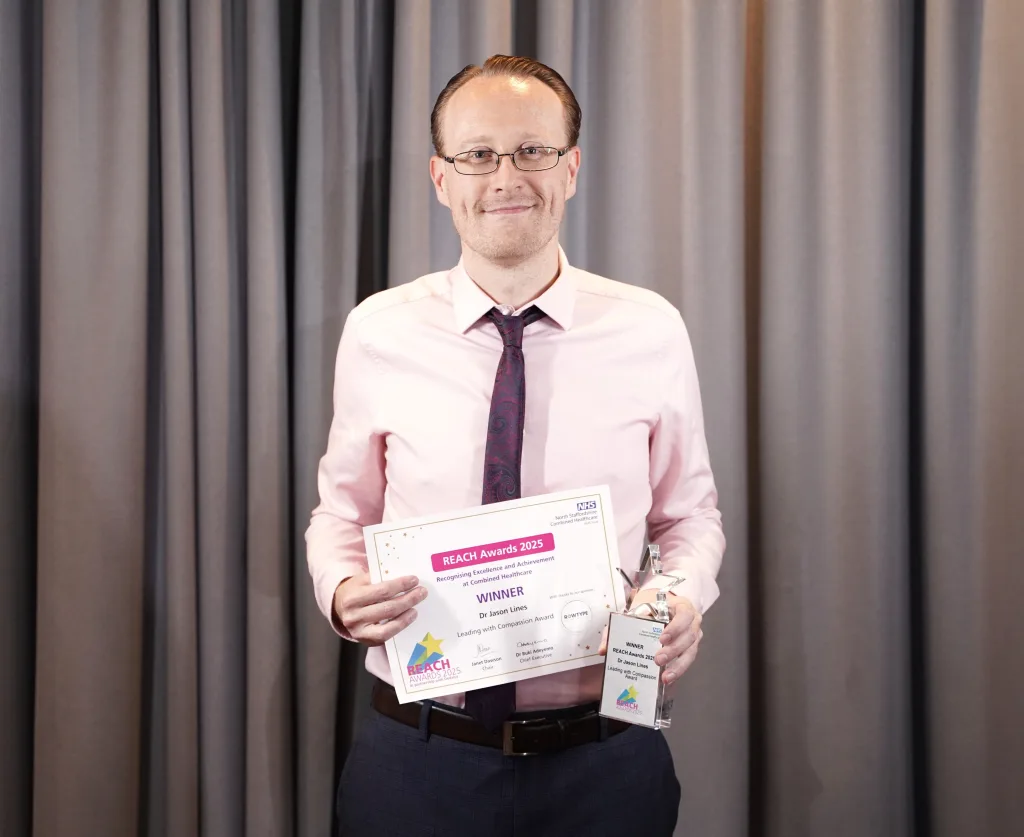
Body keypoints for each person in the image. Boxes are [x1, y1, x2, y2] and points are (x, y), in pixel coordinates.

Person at [306, 54, 725, 837]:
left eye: (533, 151)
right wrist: (340, 590)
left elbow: (689, 517)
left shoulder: (649, 327)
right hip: (419, 757)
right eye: (478, 154)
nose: (507, 176)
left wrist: (678, 599)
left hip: (605, 757)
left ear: (571, 169)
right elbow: (341, 512)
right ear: (441, 177)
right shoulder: (379, 329)